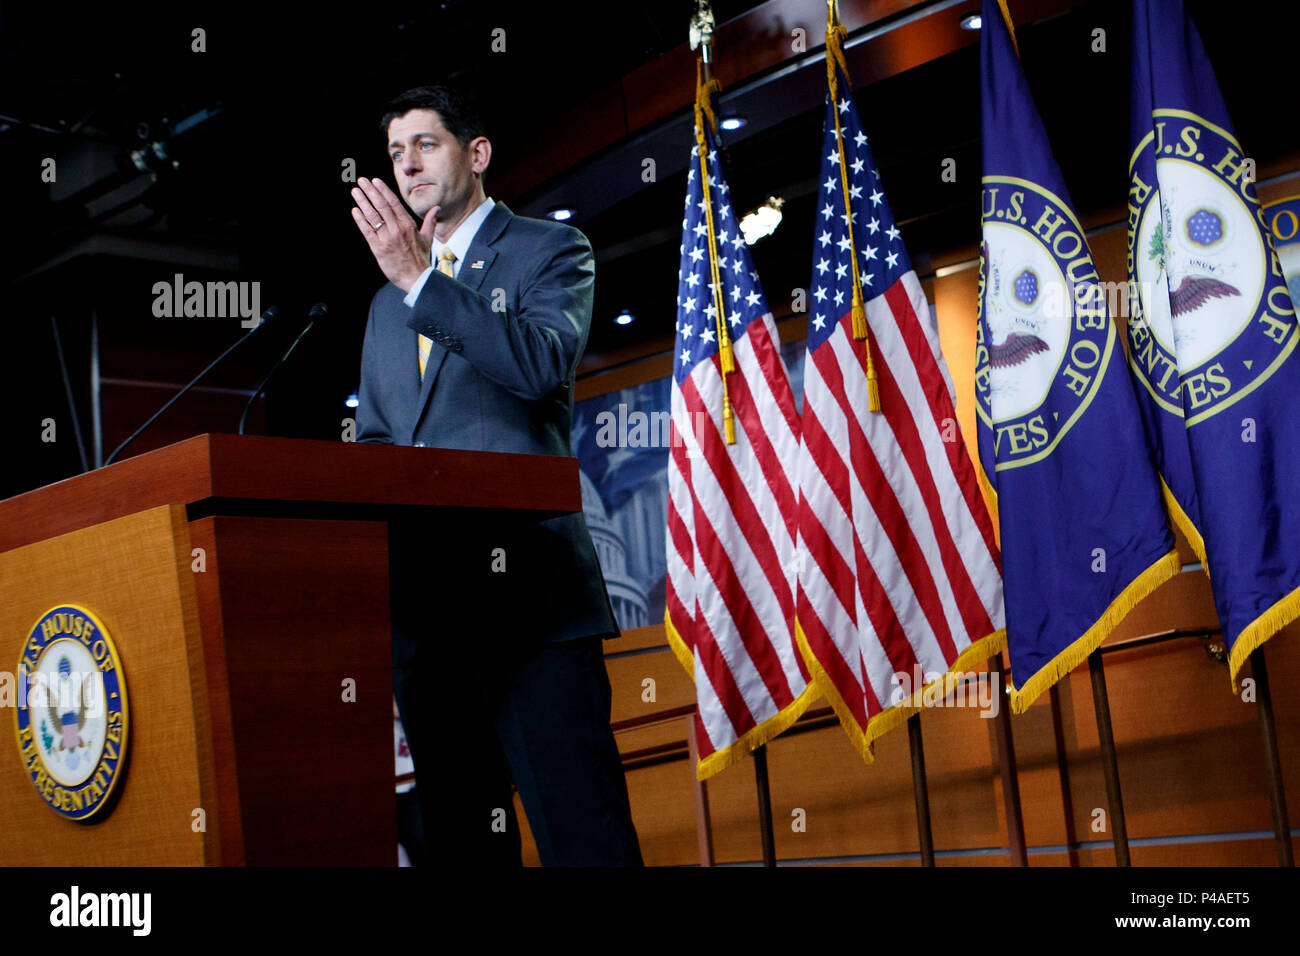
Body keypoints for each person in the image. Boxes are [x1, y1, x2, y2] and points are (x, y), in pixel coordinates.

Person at [348, 84, 642, 866]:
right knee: (464, 846)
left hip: (530, 604)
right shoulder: (383, 308)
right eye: (395, 152)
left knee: (583, 836)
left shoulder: (548, 250)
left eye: (426, 144)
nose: (407, 165)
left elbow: (539, 364)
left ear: (476, 154)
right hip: (429, 616)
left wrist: (422, 283)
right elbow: (381, 442)